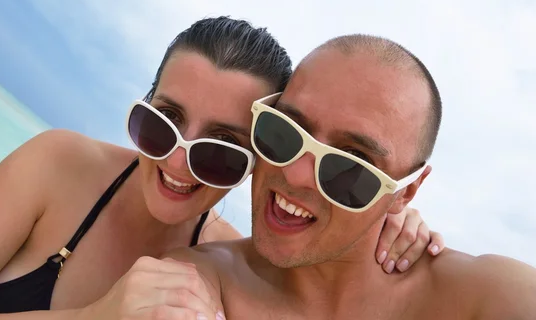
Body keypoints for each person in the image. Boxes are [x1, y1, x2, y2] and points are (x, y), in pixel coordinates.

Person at [0, 19, 442, 318]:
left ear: (266, 154)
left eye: (221, 148)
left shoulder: (228, 269)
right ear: (144, 101)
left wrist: (388, 220)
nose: (179, 160)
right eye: (163, 122)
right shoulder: (57, 167)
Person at [117, 34, 536, 320]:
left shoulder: (490, 298)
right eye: (283, 134)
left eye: (350, 164)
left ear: (404, 192)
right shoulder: (195, 283)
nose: (296, 175)